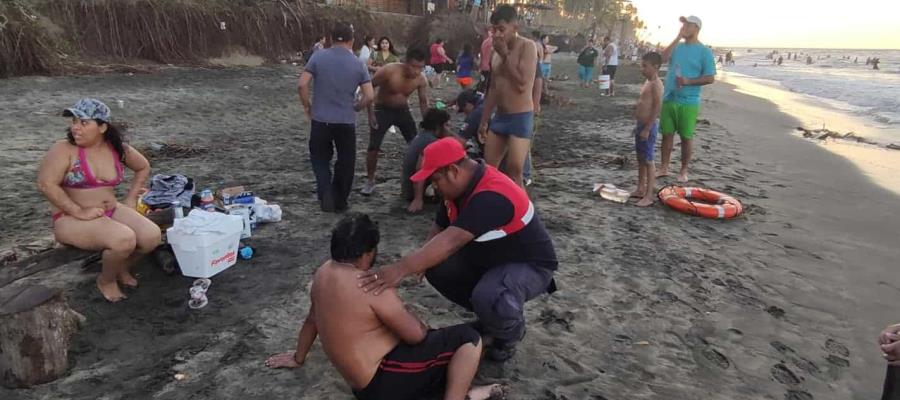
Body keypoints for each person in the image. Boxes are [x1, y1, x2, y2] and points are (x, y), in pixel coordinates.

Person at [357, 138, 558, 362]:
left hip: (530, 266)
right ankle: (492, 316)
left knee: (489, 295)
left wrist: (401, 268)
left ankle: (510, 332)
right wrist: (422, 262)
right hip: (491, 259)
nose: (434, 188)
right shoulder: (457, 190)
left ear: (453, 170)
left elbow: (451, 241)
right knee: (436, 268)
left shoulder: (491, 195)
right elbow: (440, 227)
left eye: (435, 180)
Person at [265, 214, 504, 400]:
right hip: (385, 379)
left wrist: (298, 357)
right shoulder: (370, 284)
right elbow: (416, 336)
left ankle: (475, 393)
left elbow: (312, 320)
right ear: (368, 253)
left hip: (364, 388)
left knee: (447, 357)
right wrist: (412, 316)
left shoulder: (322, 274)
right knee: (468, 337)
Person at [37, 98, 161, 302]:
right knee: (124, 239)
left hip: (110, 210)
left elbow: (143, 166)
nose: (75, 128)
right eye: (74, 121)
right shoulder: (64, 149)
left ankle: (121, 266)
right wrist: (78, 211)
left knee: (152, 237)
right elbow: (46, 184)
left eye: (83, 123)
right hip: (71, 219)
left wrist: (131, 199)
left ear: (102, 127)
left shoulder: (117, 148)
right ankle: (106, 280)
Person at [299, 23, 375, 212]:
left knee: (320, 159)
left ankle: (325, 192)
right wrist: (357, 106)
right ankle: (340, 200)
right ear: (352, 41)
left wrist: (307, 106)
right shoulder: (358, 64)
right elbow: (370, 95)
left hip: (321, 119)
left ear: (331, 39)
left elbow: (302, 84)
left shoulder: (318, 57)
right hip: (345, 120)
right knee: (346, 161)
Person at [477, 5, 538, 188]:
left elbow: (522, 84)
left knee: (515, 172)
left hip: (520, 116)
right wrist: (484, 120)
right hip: (500, 117)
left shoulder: (528, 47)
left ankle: (524, 214)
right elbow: (494, 88)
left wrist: (505, 54)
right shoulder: (495, 52)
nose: (497, 34)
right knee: (489, 170)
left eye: (502, 29)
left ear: (515, 28)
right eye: (494, 29)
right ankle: (492, 206)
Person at [361, 48, 429, 196]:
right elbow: (368, 90)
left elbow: (423, 103)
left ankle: (418, 179)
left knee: (417, 144)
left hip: (403, 111)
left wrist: (429, 124)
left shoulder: (421, 79)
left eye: (420, 67)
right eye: (413, 66)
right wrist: (370, 114)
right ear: (406, 63)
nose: (416, 71)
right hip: (382, 110)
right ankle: (370, 180)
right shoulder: (389, 71)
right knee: (374, 146)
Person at [656, 15, 716, 183]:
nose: (684, 28)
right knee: (667, 134)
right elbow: (662, 58)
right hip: (670, 96)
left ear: (696, 28)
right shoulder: (678, 47)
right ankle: (664, 167)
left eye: (688, 25)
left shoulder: (704, 51)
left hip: (689, 100)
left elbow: (710, 77)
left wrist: (689, 81)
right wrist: (677, 37)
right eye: (684, 25)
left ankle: (683, 170)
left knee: (686, 136)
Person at [402, 109, 460, 213]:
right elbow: (419, 170)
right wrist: (418, 199)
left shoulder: (423, 135)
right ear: (438, 126)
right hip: (413, 191)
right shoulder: (431, 142)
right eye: (447, 125)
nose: (449, 129)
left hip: (408, 188)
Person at [631, 53, 663, 207]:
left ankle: (649, 196)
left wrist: (648, 128)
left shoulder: (657, 84)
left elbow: (657, 107)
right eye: (642, 65)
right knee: (640, 159)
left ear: (655, 67)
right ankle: (640, 188)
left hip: (648, 127)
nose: (642, 68)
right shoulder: (648, 81)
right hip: (640, 125)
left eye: (645, 66)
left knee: (649, 161)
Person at [478, 27, 493, 93]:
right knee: (489, 83)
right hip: (490, 66)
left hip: (484, 66)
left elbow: (481, 54)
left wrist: (480, 66)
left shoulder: (484, 42)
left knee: (483, 81)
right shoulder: (493, 42)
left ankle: (479, 93)